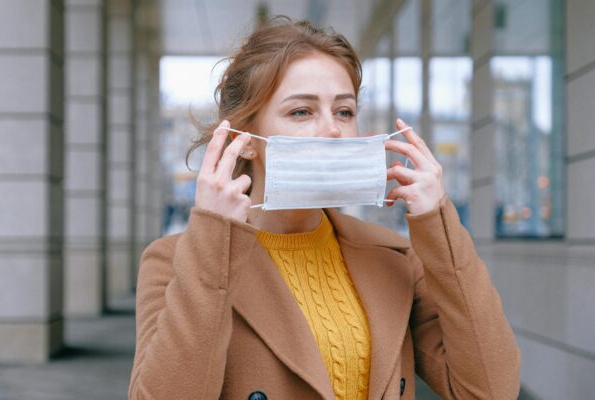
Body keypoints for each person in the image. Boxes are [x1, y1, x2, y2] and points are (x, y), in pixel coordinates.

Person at [128, 18, 519, 400]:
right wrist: (213, 238)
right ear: (243, 139)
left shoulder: (394, 257)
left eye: (344, 111)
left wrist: (439, 225)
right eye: (302, 111)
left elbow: (490, 389)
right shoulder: (175, 261)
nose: (333, 130)